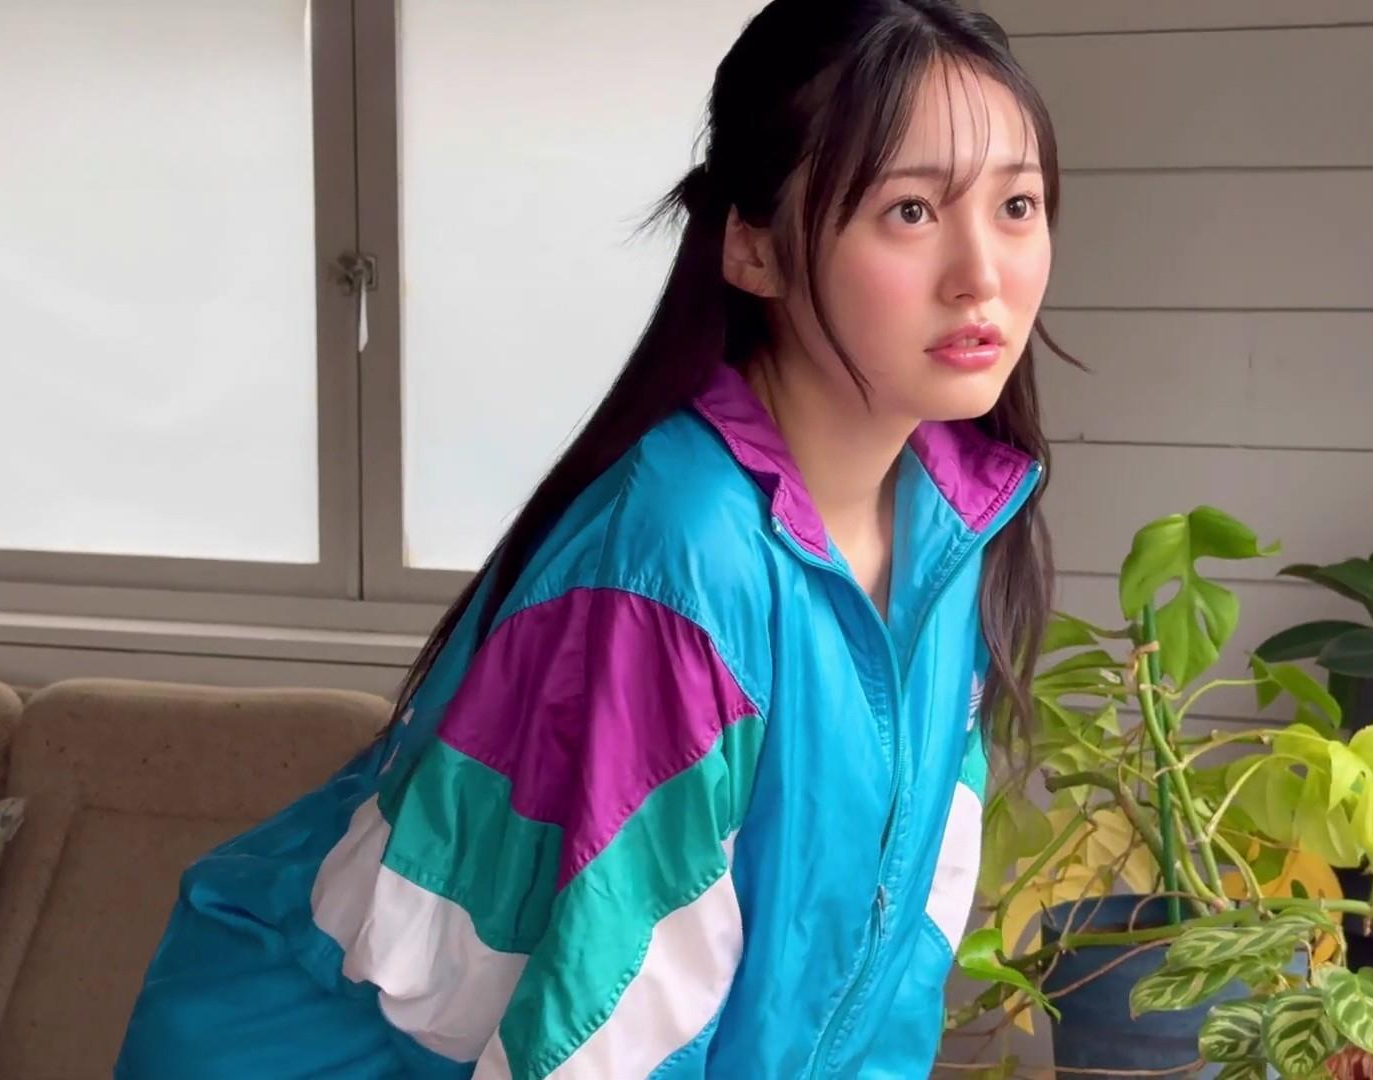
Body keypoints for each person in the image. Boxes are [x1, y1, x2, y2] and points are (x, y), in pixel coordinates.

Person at [115, 0, 1070, 1075]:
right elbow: (605, 1031)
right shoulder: (681, 561)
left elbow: (892, 962)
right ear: (754, 248)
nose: (982, 273)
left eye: (1017, 204)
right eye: (910, 210)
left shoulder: (951, 524)